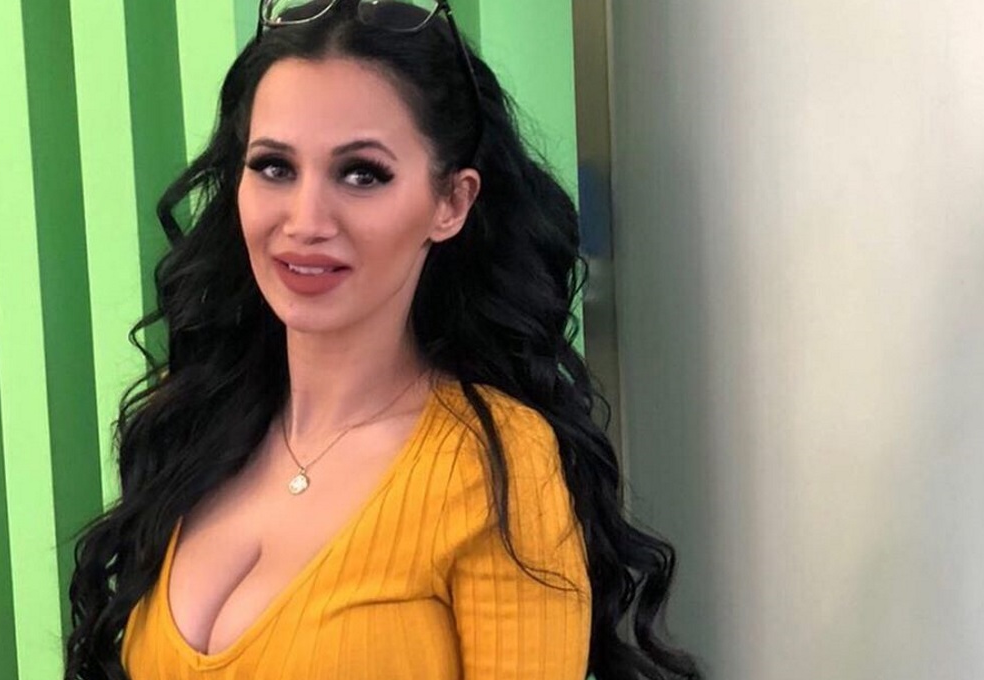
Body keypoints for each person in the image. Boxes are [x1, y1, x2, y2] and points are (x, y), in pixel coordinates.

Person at [64, 1, 699, 678]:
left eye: (362, 174)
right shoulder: (195, 419)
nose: (306, 221)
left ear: (451, 203)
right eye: (274, 167)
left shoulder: (496, 463)